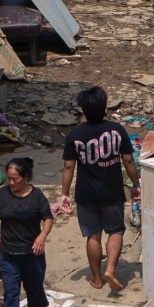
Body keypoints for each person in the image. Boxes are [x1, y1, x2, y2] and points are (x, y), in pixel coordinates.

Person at [56, 85, 137, 292]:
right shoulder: (117, 131)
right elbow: (128, 160)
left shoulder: (75, 134)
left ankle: (97, 279)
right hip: (112, 192)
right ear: (104, 107)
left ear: (84, 110)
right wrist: (136, 185)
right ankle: (110, 269)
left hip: (86, 193)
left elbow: (68, 166)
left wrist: (64, 194)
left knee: (93, 234)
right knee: (116, 230)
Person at [0, 156, 53, 307]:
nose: (12, 183)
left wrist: (42, 236)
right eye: (9, 179)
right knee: (10, 290)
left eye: (15, 179)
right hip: (8, 253)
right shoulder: (4, 194)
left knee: (34, 288)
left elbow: (48, 218)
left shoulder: (37, 196)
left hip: (32, 253)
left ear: (25, 178)